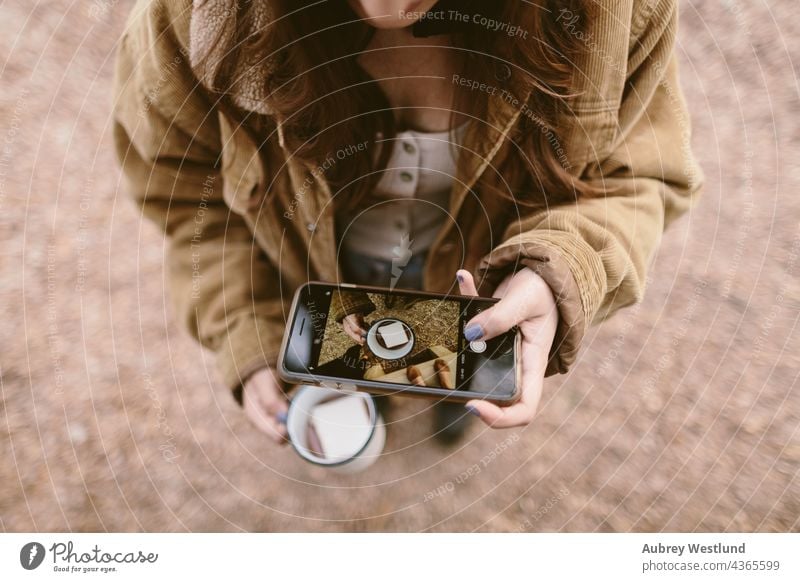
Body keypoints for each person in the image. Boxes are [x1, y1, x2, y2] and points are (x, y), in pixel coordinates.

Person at [113, 0, 702, 445]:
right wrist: (251, 328)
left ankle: (451, 405)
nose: (390, 6)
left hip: (477, 301)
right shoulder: (188, 19)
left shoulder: (612, 13)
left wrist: (558, 270)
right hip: (315, 298)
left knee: (466, 374)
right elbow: (189, 200)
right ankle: (384, 402)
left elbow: (637, 177)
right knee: (351, 375)